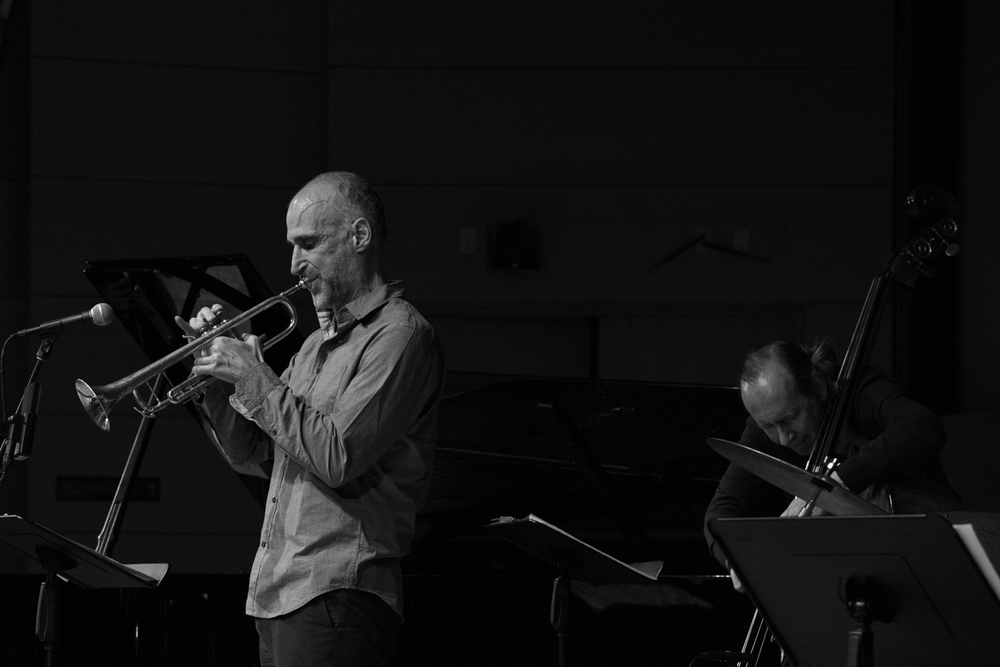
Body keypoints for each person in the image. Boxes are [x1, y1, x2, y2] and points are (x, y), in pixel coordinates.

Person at [176, 171, 445, 666]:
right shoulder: (311, 346)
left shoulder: (399, 335)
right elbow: (250, 455)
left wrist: (257, 376)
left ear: (358, 236)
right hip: (280, 591)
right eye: (292, 246)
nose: (295, 265)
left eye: (309, 243)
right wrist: (222, 380)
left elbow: (337, 456)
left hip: (339, 591)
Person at [703, 339, 962, 591]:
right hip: (836, 580)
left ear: (818, 387)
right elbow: (722, 509)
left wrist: (831, 487)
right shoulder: (767, 422)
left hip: (929, 557)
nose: (784, 437)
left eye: (792, 417)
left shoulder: (857, 388)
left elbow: (923, 426)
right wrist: (736, 557)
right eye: (768, 427)